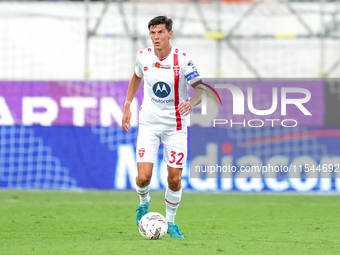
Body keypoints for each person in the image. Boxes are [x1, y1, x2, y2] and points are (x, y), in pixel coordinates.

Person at [122, 15, 204, 238]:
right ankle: (143, 202)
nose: (155, 37)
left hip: (175, 126)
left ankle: (170, 223)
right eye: (152, 32)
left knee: (174, 179)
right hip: (148, 124)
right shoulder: (143, 56)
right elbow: (137, 76)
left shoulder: (183, 60)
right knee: (143, 178)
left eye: (160, 32)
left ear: (170, 34)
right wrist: (128, 104)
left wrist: (191, 102)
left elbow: (200, 89)